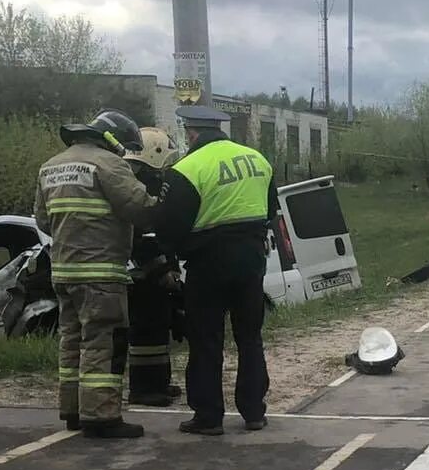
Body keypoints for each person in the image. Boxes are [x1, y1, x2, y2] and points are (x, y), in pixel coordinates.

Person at [33, 110, 158, 438]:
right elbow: (141, 209)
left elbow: (43, 221)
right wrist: (162, 199)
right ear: (114, 139)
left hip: (63, 272)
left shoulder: (52, 165)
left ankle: (73, 409)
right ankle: (101, 415)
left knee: (71, 340)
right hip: (101, 273)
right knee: (103, 341)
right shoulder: (109, 164)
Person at [157, 105, 275, 435]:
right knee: (250, 337)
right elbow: (271, 211)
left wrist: (169, 261)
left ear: (191, 133)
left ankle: (209, 416)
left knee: (207, 339)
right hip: (251, 261)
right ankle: (254, 412)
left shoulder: (187, 168)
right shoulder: (257, 160)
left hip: (208, 263)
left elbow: (168, 226)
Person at [125, 127, 184, 406]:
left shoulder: (137, 178)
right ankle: (144, 389)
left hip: (149, 269)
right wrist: (162, 268)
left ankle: (159, 381)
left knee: (159, 328)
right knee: (146, 331)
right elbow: (145, 234)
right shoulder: (141, 182)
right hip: (142, 273)